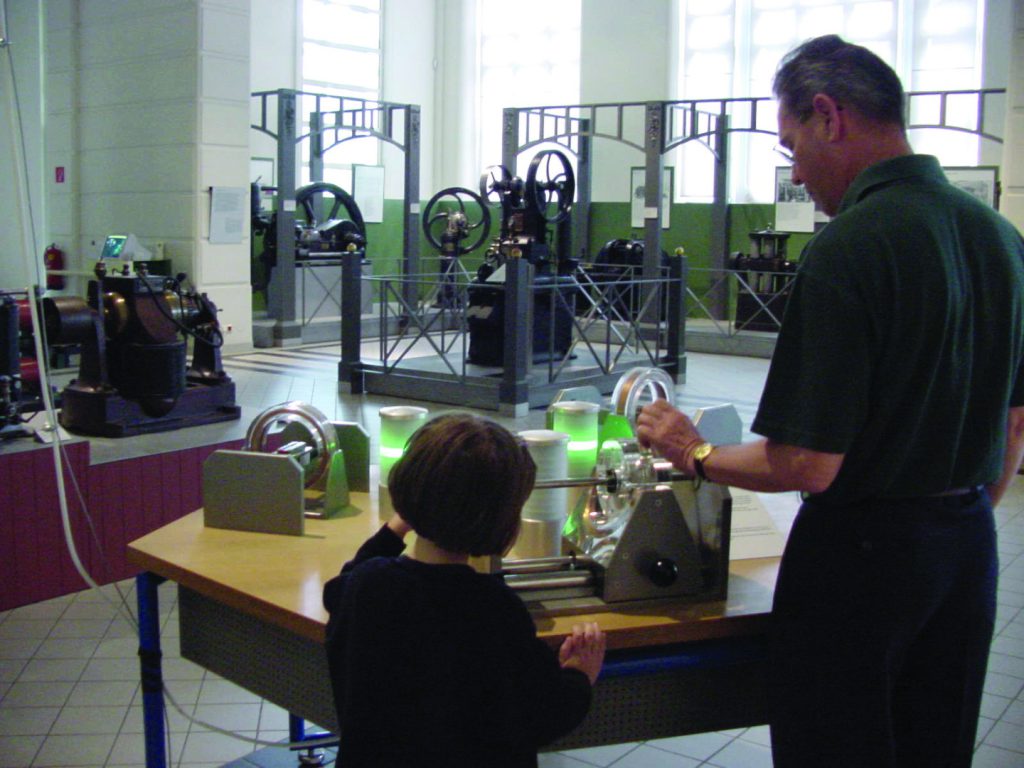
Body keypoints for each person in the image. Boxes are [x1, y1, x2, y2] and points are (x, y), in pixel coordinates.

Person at [636, 34, 1024, 768]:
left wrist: (693, 450)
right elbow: (1012, 424)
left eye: (792, 147)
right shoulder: (1001, 239)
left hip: (863, 565)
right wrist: (956, 513)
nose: (799, 173)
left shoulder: (852, 245)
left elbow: (808, 464)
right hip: (968, 550)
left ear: (828, 116)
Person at [323, 413, 606, 768]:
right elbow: (541, 715)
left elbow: (341, 585)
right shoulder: (494, 608)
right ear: (503, 523)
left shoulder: (367, 586)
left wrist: (396, 526)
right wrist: (579, 673)